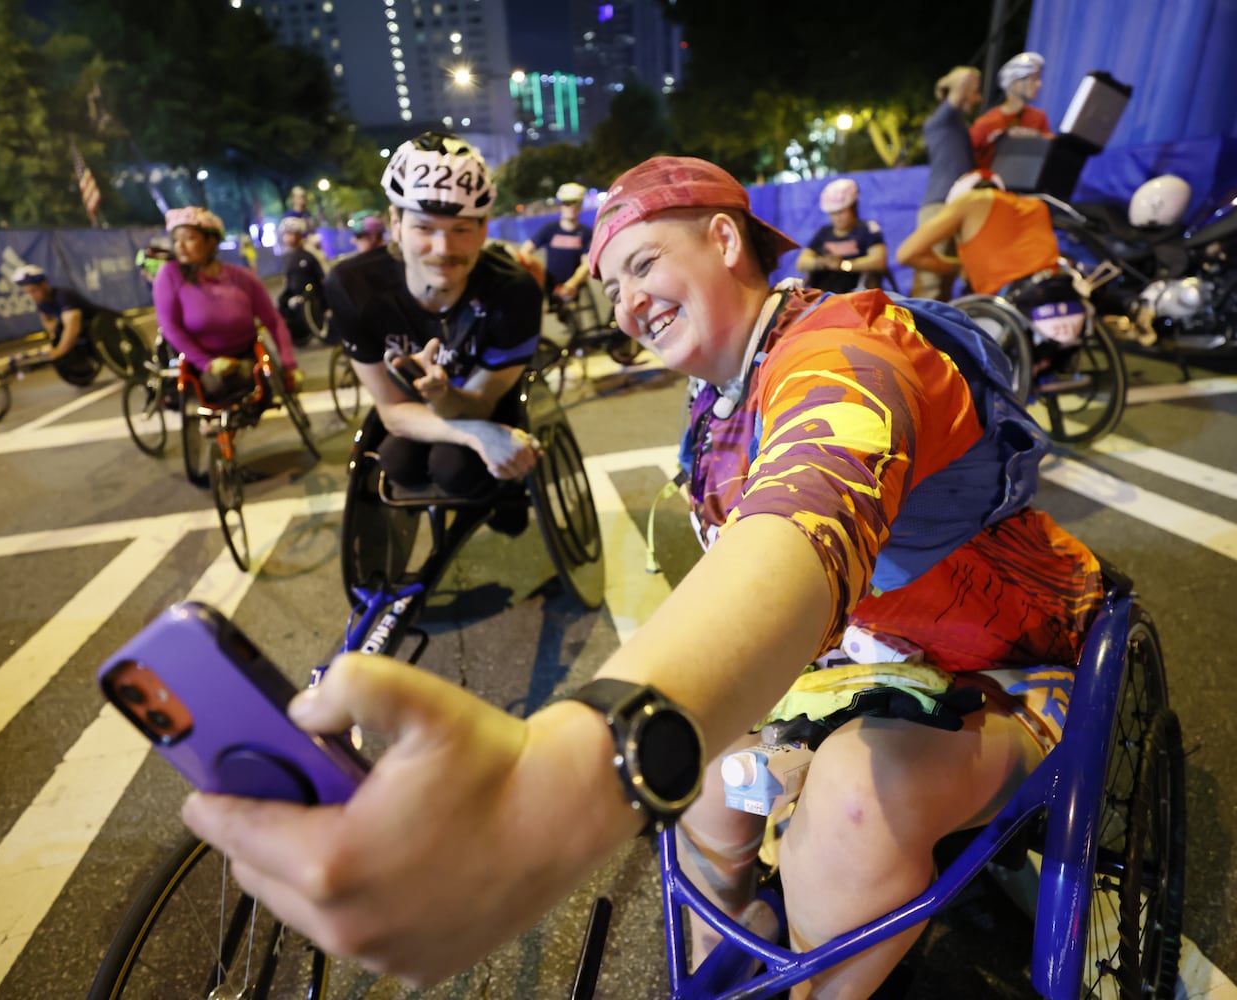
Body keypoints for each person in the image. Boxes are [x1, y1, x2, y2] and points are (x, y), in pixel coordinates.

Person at [182, 155, 1103, 998]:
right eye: (610, 284)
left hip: (1002, 669)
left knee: (855, 804)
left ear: (724, 238)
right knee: (713, 780)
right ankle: (724, 960)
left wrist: (562, 785)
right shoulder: (718, 395)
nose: (624, 303)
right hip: (845, 670)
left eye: (641, 264)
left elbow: (803, 519)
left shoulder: (845, 351)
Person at [319, 131, 543, 518]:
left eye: (460, 230)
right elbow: (391, 411)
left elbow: (482, 402)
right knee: (396, 461)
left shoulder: (513, 291)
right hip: (410, 405)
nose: (443, 250)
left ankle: (495, 504)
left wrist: (443, 396)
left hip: (480, 396)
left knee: (452, 468)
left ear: (483, 229)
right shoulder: (351, 287)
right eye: (424, 228)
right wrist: (478, 436)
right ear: (396, 222)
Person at [152, 205, 301, 403]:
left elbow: (273, 321)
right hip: (202, 362)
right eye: (176, 239)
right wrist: (207, 363)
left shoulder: (241, 277)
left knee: (270, 388)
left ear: (211, 241)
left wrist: (289, 365)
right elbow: (170, 327)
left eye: (189, 238)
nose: (180, 246)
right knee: (215, 391)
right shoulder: (170, 275)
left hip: (248, 355)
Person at [896, 168, 1061, 298]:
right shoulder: (1037, 205)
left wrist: (959, 267)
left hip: (1008, 303)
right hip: (1059, 290)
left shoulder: (969, 200)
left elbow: (906, 254)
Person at [911, 65, 983, 300]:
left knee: (950, 278)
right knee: (930, 280)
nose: (978, 97)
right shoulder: (939, 122)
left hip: (958, 207)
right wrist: (967, 78)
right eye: (974, 91)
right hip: (939, 206)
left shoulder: (958, 128)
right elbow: (960, 82)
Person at [10, 264, 107, 381]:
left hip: (103, 324)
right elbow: (48, 321)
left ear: (44, 285)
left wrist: (59, 351)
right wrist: (56, 332)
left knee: (67, 337)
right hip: (86, 333)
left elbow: (72, 328)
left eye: (33, 291)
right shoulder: (42, 303)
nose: (31, 296)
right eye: (28, 292)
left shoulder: (63, 296)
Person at [794, 177, 888, 293]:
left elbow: (879, 261)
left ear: (853, 208)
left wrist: (843, 265)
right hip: (824, 297)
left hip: (857, 295)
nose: (837, 217)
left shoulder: (868, 229)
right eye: (833, 213)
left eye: (841, 212)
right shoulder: (824, 232)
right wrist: (821, 263)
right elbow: (801, 262)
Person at [516, 182, 594, 310]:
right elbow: (525, 251)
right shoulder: (550, 229)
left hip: (573, 287)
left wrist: (571, 284)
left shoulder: (586, 233)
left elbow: (587, 263)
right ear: (561, 205)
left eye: (577, 203)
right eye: (568, 203)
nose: (572, 207)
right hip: (549, 285)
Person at [971, 51, 1053, 170]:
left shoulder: (1038, 117)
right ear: (1014, 83)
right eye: (1034, 79)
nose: (1039, 84)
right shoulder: (986, 123)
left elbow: (1054, 150)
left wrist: (1037, 137)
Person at [277, 215, 328, 341]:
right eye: (286, 234)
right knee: (281, 302)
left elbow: (324, 276)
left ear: (299, 234)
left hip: (311, 295)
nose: (288, 237)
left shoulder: (311, 253)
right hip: (295, 294)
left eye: (291, 233)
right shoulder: (289, 256)